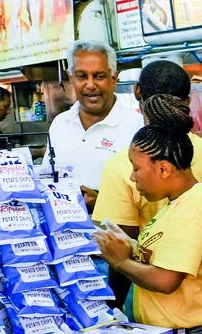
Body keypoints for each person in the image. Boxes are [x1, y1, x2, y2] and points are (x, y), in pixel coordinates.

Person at [92, 61, 202, 331]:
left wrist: (119, 269)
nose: (133, 177)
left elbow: (167, 280)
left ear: (164, 169)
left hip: (184, 325)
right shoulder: (178, 195)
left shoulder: (191, 205)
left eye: (137, 171)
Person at [48, 40, 143, 210]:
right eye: (82, 76)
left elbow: (148, 196)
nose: (90, 85)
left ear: (114, 79)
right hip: (64, 233)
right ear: (71, 79)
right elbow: (47, 178)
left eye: (99, 76)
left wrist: (101, 201)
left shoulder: (137, 128)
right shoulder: (60, 124)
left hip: (115, 234)